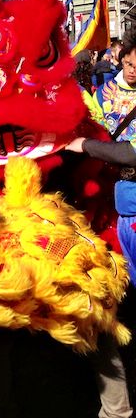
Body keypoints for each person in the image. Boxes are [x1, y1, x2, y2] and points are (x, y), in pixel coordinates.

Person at [64, 32, 136, 418]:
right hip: (107, 208)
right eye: (128, 64)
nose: (133, 71)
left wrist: (89, 147)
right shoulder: (103, 93)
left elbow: (128, 151)